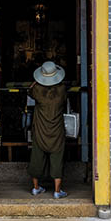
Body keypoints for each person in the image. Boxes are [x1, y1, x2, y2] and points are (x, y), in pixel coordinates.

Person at [28, 61, 68, 199]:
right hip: (57, 130)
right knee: (57, 158)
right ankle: (57, 191)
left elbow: (30, 90)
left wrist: (36, 82)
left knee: (37, 158)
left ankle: (36, 188)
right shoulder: (62, 89)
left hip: (40, 130)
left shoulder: (37, 90)